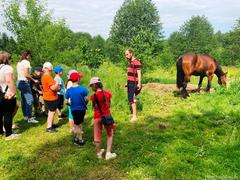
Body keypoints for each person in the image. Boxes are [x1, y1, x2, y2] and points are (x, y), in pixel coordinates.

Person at [89, 77, 117, 160]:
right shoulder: (107, 93)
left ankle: (99, 154)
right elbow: (108, 105)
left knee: (97, 136)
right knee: (110, 134)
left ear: (94, 86)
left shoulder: (93, 96)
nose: (91, 87)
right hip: (107, 116)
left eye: (91, 86)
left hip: (97, 117)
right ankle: (108, 154)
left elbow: (94, 107)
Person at [0, 51, 20, 140]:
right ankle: (9, 134)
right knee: (8, 113)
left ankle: (0, 131)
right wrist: (14, 91)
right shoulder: (7, 68)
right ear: (7, 59)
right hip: (7, 93)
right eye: (10, 58)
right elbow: (9, 80)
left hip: (0, 92)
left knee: (0, 113)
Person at [65, 72, 88, 146]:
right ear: (78, 79)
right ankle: (79, 139)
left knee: (77, 124)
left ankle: (78, 138)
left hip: (74, 109)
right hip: (82, 109)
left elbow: (66, 102)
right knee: (79, 123)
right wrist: (84, 104)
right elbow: (87, 99)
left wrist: (70, 105)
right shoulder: (83, 89)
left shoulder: (69, 90)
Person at [17, 50, 38, 123]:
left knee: (23, 100)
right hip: (24, 82)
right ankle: (30, 118)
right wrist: (34, 80)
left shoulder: (19, 62)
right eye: (30, 56)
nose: (30, 57)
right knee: (29, 99)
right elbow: (26, 74)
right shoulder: (26, 62)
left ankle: (26, 116)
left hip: (19, 82)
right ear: (27, 55)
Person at [41, 62, 60, 132]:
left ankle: (51, 124)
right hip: (50, 97)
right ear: (49, 69)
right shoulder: (47, 76)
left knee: (51, 111)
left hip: (47, 96)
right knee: (52, 112)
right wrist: (57, 83)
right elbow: (53, 88)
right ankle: (49, 127)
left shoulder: (45, 76)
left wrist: (56, 86)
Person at [125, 49, 142, 123]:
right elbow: (129, 73)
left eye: (127, 54)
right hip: (129, 83)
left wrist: (139, 84)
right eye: (125, 54)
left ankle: (134, 117)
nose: (126, 56)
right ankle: (133, 113)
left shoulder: (136, 61)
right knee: (130, 98)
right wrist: (127, 82)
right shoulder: (129, 62)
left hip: (134, 83)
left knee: (132, 99)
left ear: (131, 53)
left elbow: (139, 73)